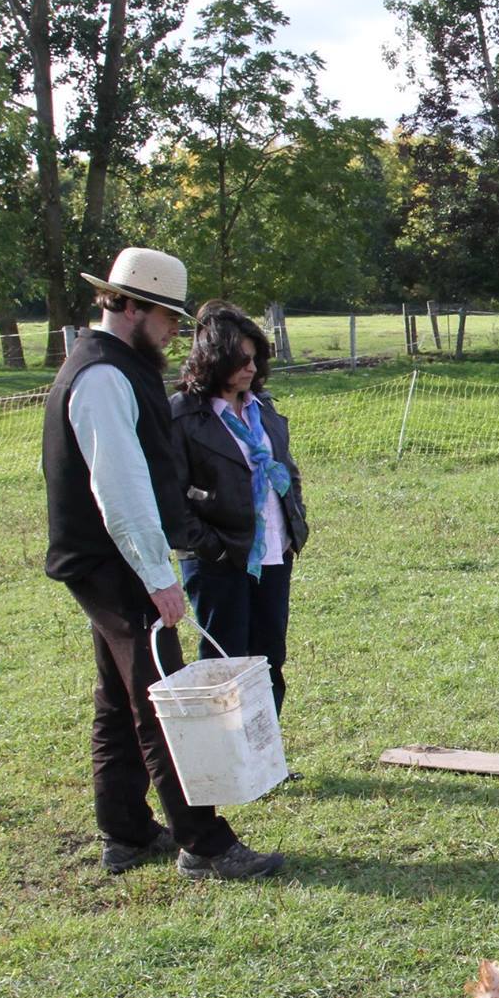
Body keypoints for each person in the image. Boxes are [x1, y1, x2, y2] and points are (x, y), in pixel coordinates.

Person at [42, 248, 284, 880]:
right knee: (160, 699)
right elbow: (118, 490)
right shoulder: (100, 375)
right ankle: (203, 843)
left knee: (119, 696)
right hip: (115, 562)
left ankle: (124, 832)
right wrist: (157, 577)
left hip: (109, 561)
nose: (177, 329)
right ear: (130, 305)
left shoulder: (118, 366)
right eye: (167, 316)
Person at [170, 301, 308, 721]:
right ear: (213, 359)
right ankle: (225, 762)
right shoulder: (181, 415)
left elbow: (286, 467)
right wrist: (211, 547)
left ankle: (266, 758)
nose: (250, 368)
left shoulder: (262, 407)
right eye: (239, 359)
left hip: (271, 553)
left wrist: (294, 519)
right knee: (225, 661)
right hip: (218, 561)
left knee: (269, 656)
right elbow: (170, 501)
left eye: (255, 358)